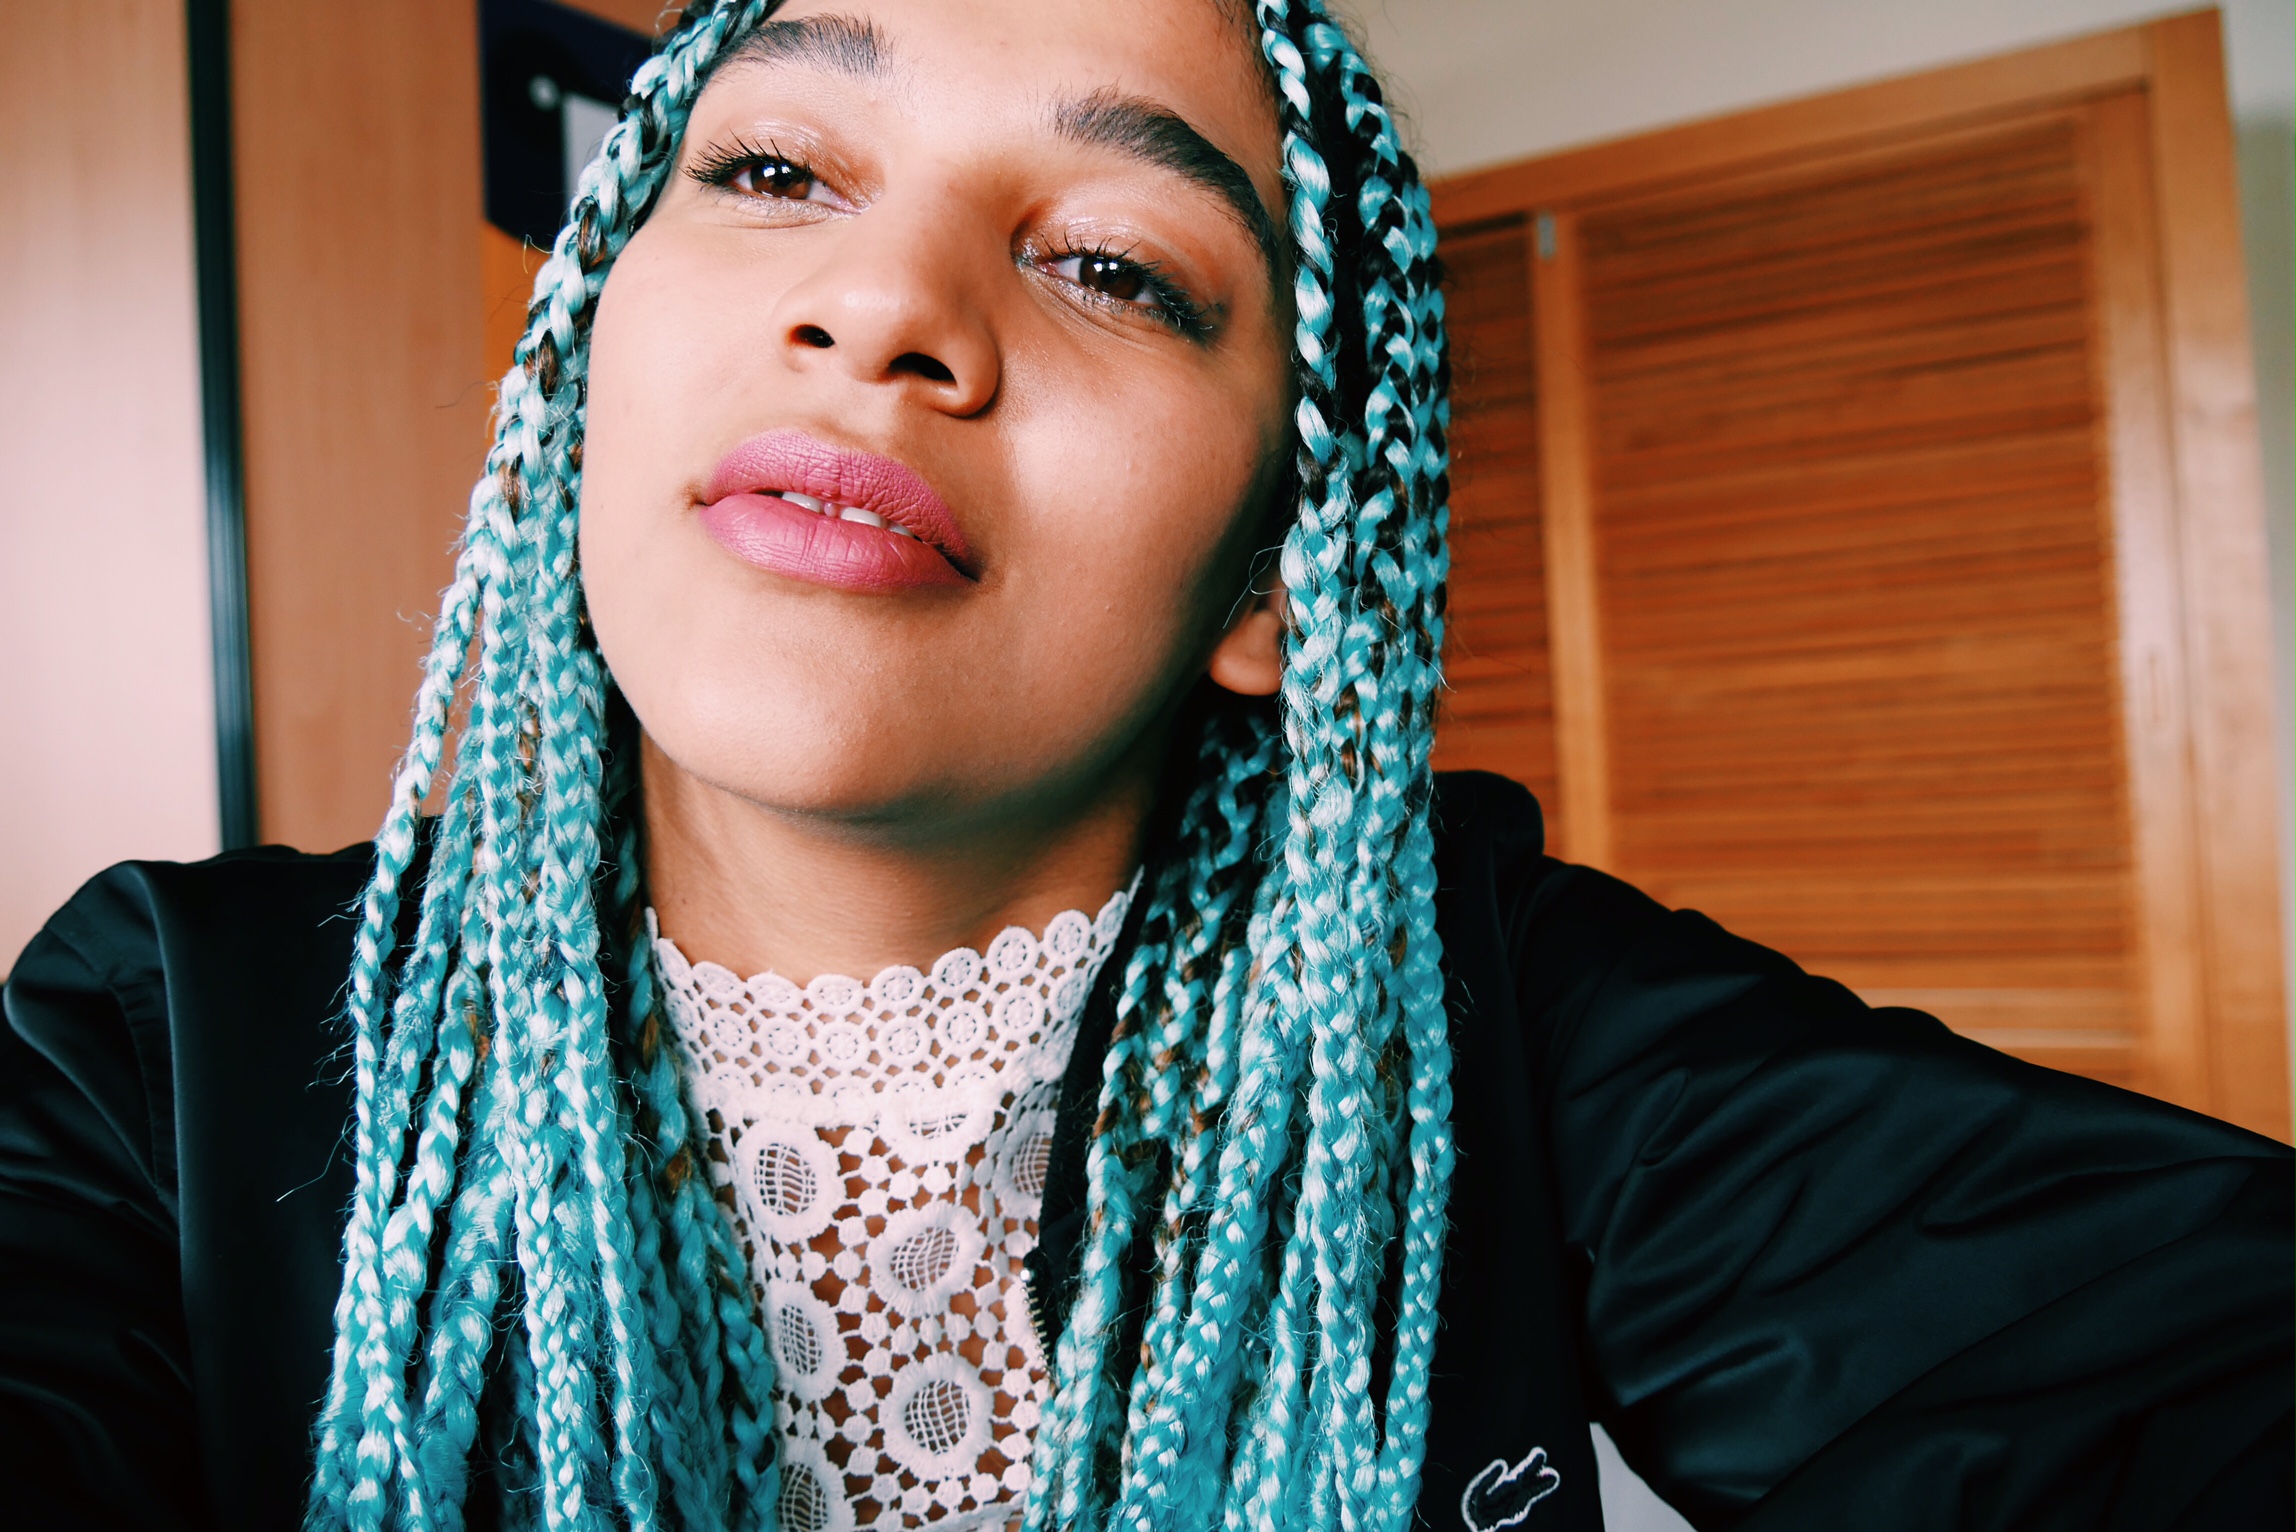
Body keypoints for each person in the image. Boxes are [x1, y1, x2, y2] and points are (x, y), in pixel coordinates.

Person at [4, 0, 2294, 1527]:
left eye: (1111, 264)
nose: (885, 307)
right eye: (776, 166)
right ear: (573, 366)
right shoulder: (152, 1040)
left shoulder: (1495, 1013)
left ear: (1275, 565)